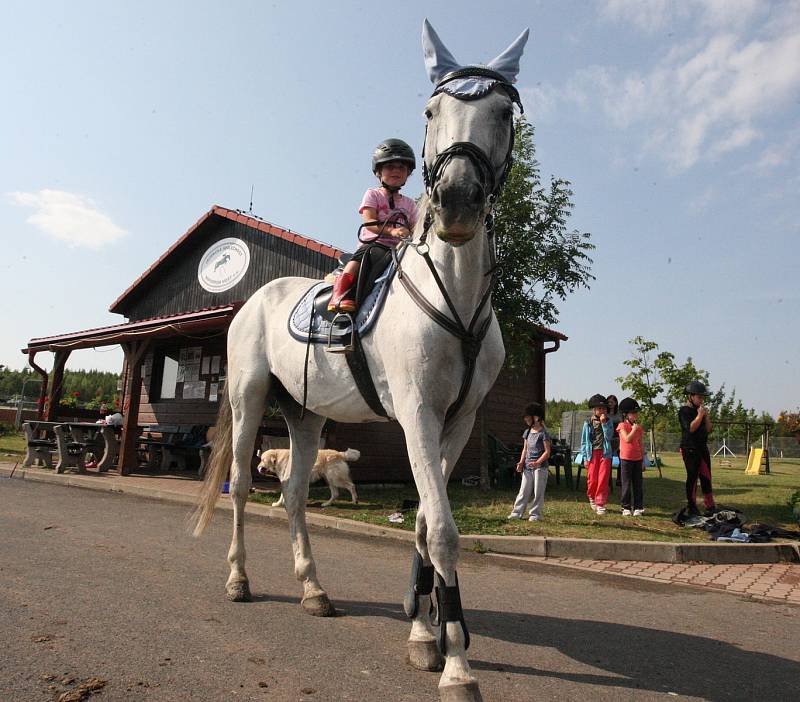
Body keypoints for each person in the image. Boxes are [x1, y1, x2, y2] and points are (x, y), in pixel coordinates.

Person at [328, 139, 418, 313]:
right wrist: (392, 230)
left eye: (401, 167)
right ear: (378, 171)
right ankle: (339, 292)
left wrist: (411, 233)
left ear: (408, 173)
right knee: (364, 254)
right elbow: (369, 222)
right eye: (390, 167)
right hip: (374, 243)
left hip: (398, 249)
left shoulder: (410, 204)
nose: (396, 171)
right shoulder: (373, 194)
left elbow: (415, 227)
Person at [508, 403, 551, 522]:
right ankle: (517, 512)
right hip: (527, 467)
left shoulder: (543, 433)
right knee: (524, 490)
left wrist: (537, 462)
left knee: (538, 491)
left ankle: (535, 514)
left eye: (528, 418)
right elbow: (525, 449)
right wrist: (521, 462)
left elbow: (547, 452)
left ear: (536, 418)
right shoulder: (527, 432)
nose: (526, 420)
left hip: (540, 468)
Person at [679, 380, 716, 516]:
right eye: (699, 397)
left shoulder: (701, 411)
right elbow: (690, 428)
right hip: (689, 448)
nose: (701, 400)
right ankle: (692, 505)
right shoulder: (684, 411)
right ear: (691, 396)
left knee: (706, 476)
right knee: (693, 477)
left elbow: (709, 429)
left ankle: (710, 505)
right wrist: (700, 416)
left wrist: (705, 417)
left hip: (702, 447)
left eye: (702, 397)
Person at [581, 394, 615, 515]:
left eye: (604, 408)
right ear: (594, 410)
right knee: (592, 479)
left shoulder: (609, 421)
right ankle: (592, 496)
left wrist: (604, 423)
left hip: (605, 454)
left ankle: (600, 503)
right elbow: (584, 442)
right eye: (599, 408)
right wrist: (585, 458)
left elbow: (609, 436)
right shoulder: (587, 423)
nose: (602, 411)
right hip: (592, 454)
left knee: (603, 479)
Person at [617, 397, 645, 516]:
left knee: (638, 484)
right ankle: (626, 507)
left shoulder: (639, 428)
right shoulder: (622, 426)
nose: (636, 415)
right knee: (626, 484)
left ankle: (638, 507)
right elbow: (627, 439)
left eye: (636, 412)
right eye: (633, 413)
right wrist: (633, 430)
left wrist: (643, 460)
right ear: (625, 414)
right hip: (626, 460)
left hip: (638, 459)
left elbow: (641, 444)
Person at [606, 394, 622, 487]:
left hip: (619, 439)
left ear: (616, 403)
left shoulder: (620, 413)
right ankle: (608, 481)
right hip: (608, 440)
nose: (610, 404)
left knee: (622, 460)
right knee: (609, 460)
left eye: (612, 402)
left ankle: (619, 479)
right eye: (608, 402)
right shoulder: (605, 413)